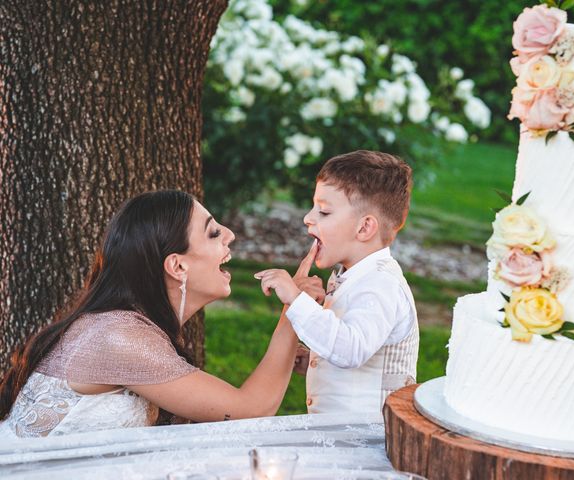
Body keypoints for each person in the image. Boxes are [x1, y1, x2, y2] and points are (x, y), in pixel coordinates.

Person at [0, 190, 322, 438]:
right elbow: (249, 411)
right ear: (177, 266)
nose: (230, 235)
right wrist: (295, 308)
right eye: (213, 233)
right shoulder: (120, 337)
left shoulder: (124, 327)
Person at [255, 150, 420, 414]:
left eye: (324, 211)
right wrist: (315, 359)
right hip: (338, 433)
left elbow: (352, 349)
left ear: (364, 228)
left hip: (369, 440)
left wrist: (296, 300)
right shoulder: (352, 273)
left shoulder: (381, 283)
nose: (308, 218)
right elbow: (352, 345)